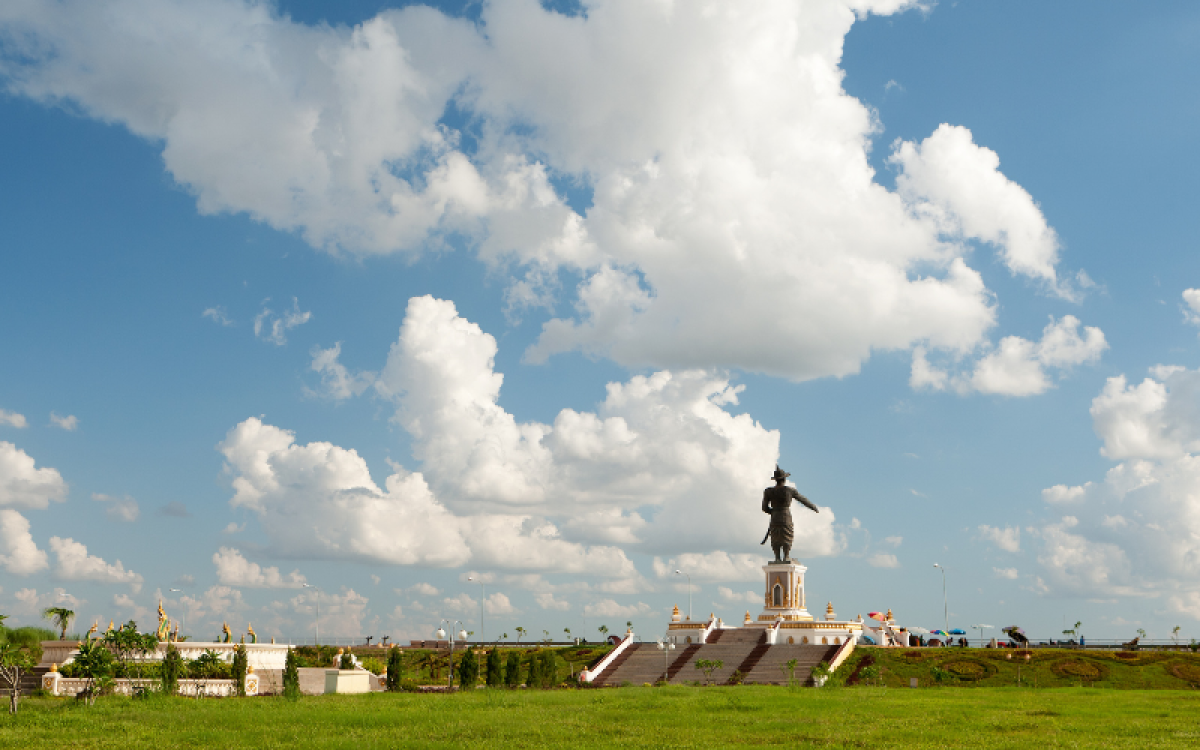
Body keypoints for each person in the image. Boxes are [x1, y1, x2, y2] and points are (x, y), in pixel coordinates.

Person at [761, 466, 819, 563]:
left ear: (775, 480)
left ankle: (777, 558)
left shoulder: (768, 491)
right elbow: (803, 499)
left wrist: (773, 512)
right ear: (784, 479)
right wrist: (813, 507)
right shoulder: (789, 490)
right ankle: (786, 556)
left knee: (775, 537)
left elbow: (764, 508)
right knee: (787, 536)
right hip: (786, 517)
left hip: (775, 518)